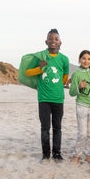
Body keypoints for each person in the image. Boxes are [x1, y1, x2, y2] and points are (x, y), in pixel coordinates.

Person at [25, 29, 69, 164]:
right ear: (46, 41)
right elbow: (27, 72)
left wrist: (59, 86)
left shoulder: (64, 59)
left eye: (56, 39)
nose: (53, 41)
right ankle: (45, 154)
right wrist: (40, 67)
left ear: (60, 42)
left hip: (58, 99)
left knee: (57, 127)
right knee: (45, 127)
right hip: (44, 99)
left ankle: (57, 153)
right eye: (51, 38)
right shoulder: (41, 57)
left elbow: (65, 75)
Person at [69, 50, 90, 164]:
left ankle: (88, 154)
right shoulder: (76, 74)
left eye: (89, 59)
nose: (86, 61)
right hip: (81, 106)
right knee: (82, 133)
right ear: (79, 60)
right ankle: (77, 154)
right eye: (84, 58)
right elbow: (71, 92)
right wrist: (79, 87)